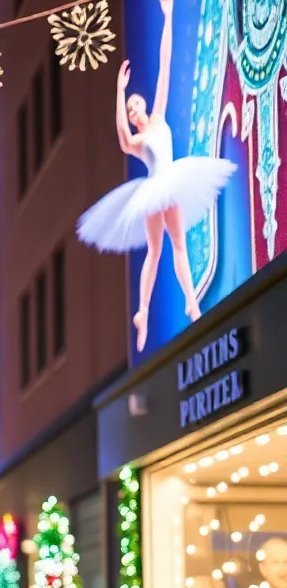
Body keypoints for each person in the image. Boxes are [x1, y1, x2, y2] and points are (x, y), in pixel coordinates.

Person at [76, 0, 235, 353]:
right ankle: (143, 311)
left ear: (144, 106)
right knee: (155, 250)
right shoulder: (136, 139)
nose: (135, 111)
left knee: (177, 246)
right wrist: (118, 91)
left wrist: (169, 18)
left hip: (170, 183)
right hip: (153, 189)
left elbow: (166, 64)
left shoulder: (159, 117)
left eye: (135, 104)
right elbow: (120, 137)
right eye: (130, 109)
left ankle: (191, 302)